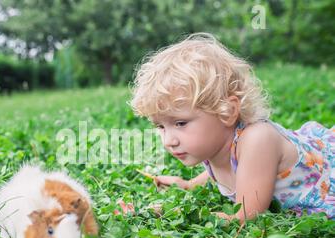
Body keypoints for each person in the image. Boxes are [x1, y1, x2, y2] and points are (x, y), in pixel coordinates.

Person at [130, 33, 334, 222]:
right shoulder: (211, 144)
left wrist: (172, 213)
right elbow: (223, 167)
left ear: (227, 111)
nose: (169, 141)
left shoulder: (257, 140)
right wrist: (189, 185)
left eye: (180, 123)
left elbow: (245, 217)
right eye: (160, 126)